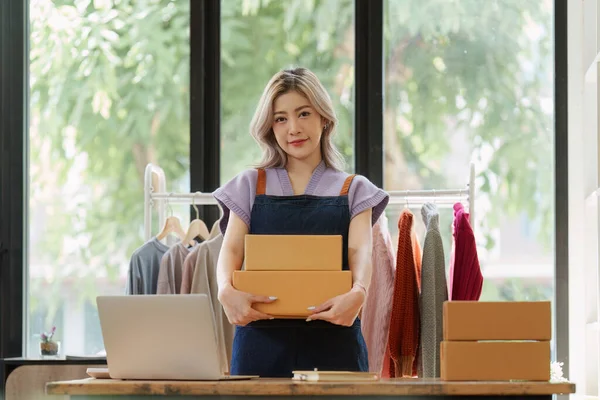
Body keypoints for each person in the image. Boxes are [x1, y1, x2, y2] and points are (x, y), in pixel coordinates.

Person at [213, 67, 389, 377]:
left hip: (335, 343)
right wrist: (225, 290)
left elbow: (359, 252)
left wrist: (359, 292)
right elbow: (231, 252)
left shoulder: (355, 189)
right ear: (270, 126)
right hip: (259, 346)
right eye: (281, 118)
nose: (293, 128)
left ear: (324, 118)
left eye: (303, 113)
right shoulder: (249, 185)